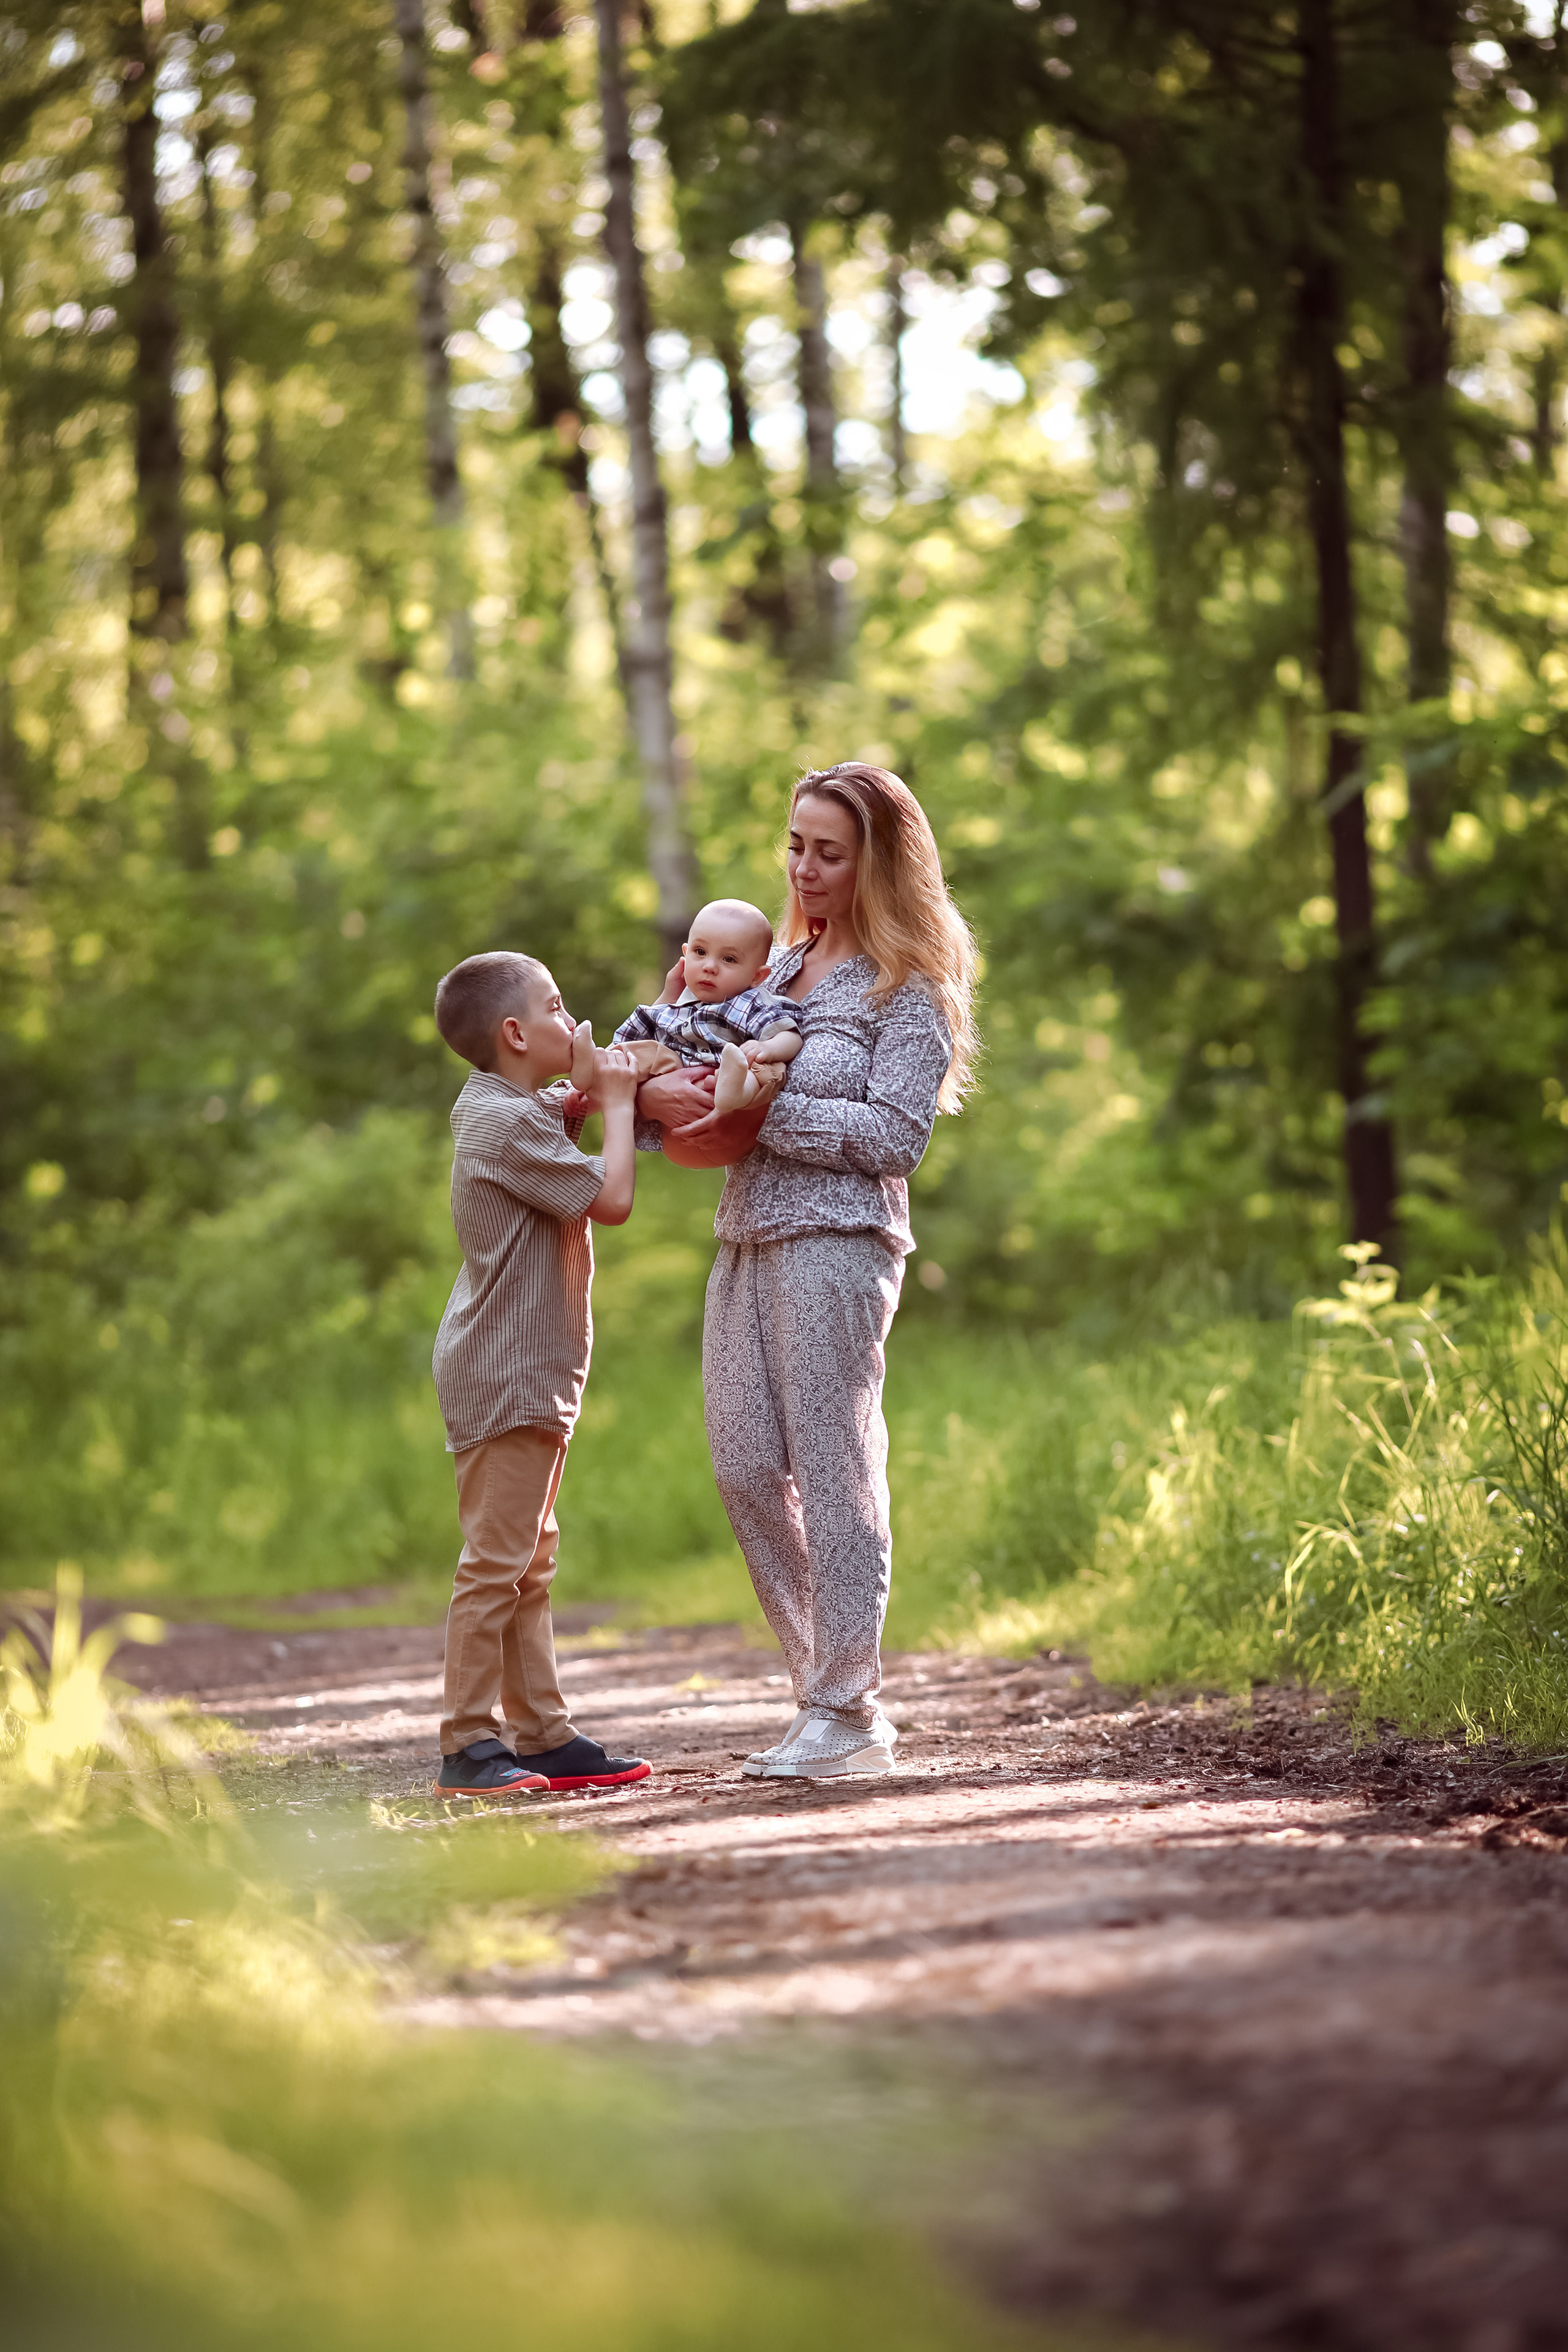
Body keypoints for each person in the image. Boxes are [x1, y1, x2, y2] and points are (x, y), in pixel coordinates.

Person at [635, 764, 978, 1781]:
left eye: (830, 852)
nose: (805, 868)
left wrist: (761, 1111)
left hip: (840, 1241)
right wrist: (654, 1086)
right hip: (746, 1234)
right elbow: (692, 1076)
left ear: (880, 862)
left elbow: (895, 1138)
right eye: (796, 845)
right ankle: (822, 1695)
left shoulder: (906, 986)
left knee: (833, 1469)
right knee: (744, 1468)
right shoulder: (771, 969)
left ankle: (846, 1707)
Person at [429, 949, 652, 1798]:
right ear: (516, 1034)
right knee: (497, 1562)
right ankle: (467, 1743)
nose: (571, 1018)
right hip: (506, 1370)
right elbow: (612, 1199)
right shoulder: (500, 1124)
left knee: (529, 1559)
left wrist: (593, 1086)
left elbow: (556, 1107)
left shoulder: (503, 1105)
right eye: (556, 1007)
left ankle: (543, 1733)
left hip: (529, 1367)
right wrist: (618, 1107)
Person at [571, 897, 803, 1115]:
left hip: (732, 1071)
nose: (709, 967)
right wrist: (617, 1049)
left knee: (770, 1070)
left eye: (729, 959)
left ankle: (737, 1092)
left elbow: (791, 1036)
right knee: (644, 1053)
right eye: (700, 952)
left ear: (757, 976)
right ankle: (593, 1067)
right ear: (686, 953)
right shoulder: (676, 1008)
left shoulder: (752, 1004)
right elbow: (633, 1036)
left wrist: (768, 1048)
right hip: (676, 1067)